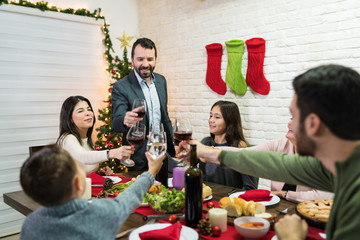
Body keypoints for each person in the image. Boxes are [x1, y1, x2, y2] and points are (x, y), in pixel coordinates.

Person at [178, 64, 360, 240]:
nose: (289, 123)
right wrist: (205, 151)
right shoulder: (337, 164)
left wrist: (292, 237)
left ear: (313, 124)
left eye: (294, 116)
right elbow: (272, 163)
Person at [19, 144, 164, 240]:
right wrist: (151, 171)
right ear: (77, 183)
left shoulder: (30, 224)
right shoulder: (100, 212)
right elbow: (129, 197)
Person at [112, 37, 175, 171]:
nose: (145, 64)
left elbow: (164, 116)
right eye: (140, 59)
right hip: (139, 158)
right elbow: (116, 122)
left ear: (155, 60)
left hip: (163, 152)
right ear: (132, 60)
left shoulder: (161, 81)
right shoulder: (121, 87)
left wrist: (173, 148)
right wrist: (125, 120)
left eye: (150, 59)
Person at [248, 118, 333, 202]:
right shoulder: (280, 145)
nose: (289, 123)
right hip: (279, 208)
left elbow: (322, 196)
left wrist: (284, 194)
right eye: (291, 119)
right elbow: (244, 154)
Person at [57, 96, 134, 176]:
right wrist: (112, 153)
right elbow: (83, 157)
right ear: (70, 119)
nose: (88, 113)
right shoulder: (67, 138)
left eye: (89, 109)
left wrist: (99, 171)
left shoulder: (87, 139)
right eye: (80, 111)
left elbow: (84, 167)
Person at [199, 100, 257, 189]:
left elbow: (250, 187)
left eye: (217, 117)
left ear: (229, 121)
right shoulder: (205, 143)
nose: (211, 120)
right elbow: (184, 167)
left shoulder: (240, 147)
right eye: (211, 116)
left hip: (230, 200)